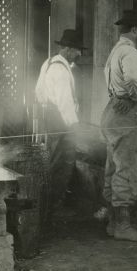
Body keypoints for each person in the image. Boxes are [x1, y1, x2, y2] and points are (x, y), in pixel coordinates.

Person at [101, 9, 137, 242]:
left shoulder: (115, 51)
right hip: (126, 117)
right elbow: (133, 80)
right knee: (127, 167)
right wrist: (134, 99)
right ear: (135, 29)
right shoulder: (131, 53)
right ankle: (123, 226)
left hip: (113, 113)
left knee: (113, 167)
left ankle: (113, 223)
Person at [34, 29, 85, 216]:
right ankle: (51, 211)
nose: (79, 54)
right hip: (60, 124)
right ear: (69, 50)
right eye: (78, 50)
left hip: (48, 120)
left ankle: (46, 209)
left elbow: (39, 92)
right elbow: (65, 103)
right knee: (61, 167)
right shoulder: (61, 70)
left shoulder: (48, 63)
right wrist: (75, 125)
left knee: (50, 166)